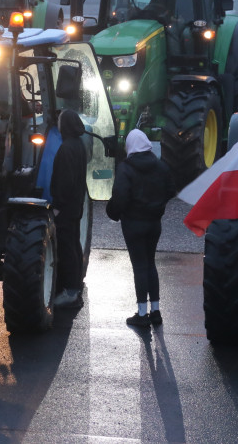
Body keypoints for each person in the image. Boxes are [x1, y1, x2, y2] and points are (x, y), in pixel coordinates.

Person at [106, 129, 176, 327]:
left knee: (139, 266)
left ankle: (141, 313)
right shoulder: (161, 166)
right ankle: (155, 311)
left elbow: (119, 197)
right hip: (154, 224)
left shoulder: (125, 168)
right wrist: (157, 205)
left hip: (133, 224)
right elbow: (171, 190)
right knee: (150, 264)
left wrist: (113, 212)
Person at [50, 109, 88, 308]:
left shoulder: (66, 148)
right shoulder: (78, 145)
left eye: (59, 121)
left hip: (65, 207)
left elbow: (65, 182)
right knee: (73, 244)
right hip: (75, 205)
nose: (57, 124)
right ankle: (75, 285)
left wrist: (57, 206)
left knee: (66, 248)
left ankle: (70, 292)